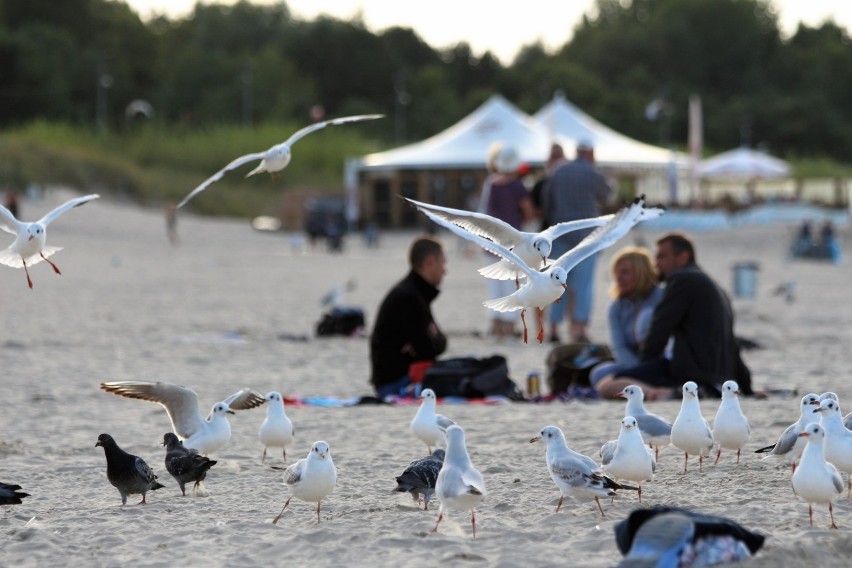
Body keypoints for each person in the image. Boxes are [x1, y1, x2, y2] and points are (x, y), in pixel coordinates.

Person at [595, 232, 754, 400]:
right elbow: (731, 343)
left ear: (682, 257)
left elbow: (660, 329)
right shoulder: (712, 285)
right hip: (717, 375)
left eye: (662, 257)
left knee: (607, 384)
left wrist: (642, 368)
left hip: (690, 373)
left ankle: (666, 393)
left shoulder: (682, 280)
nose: (657, 264)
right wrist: (747, 388)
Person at [541, 140, 613, 343]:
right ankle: (579, 330)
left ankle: (554, 328)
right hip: (586, 238)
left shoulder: (559, 171)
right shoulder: (593, 173)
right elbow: (607, 194)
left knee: (556, 284)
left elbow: (547, 201)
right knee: (583, 286)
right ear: (590, 153)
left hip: (561, 235)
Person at [370, 235, 448, 399]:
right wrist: (430, 341)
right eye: (443, 263)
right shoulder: (409, 297)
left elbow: (439, 343)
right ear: (430, 262)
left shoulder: (415, 292)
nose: (445, 270)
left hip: (397, 378)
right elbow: (428, 350)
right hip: (395, 383)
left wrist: (427, 343)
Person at [588, 246, 664, 388]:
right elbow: (619, 347)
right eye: (616, 272)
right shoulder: (616, 307)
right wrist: (638, 369)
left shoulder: (661, 297)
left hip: (660, 361)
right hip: (632, 364)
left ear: (641, 273)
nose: (618, 277)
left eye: (625, 272)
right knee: (598, 373)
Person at [481, 143, 536, 339]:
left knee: (494, 287)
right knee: (512, 286)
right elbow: (528, 212)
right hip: (513, 244)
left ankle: (496, 327)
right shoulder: (517, 186)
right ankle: (510, 328)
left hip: (492, 242)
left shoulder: (492, 183)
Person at [529, 143, 568, 231]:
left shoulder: (573, 184)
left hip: (568, 232)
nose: (557, 161)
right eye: (554, 156)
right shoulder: (541, 184)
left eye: (559, 156)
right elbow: (532, 209)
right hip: (548, 230)